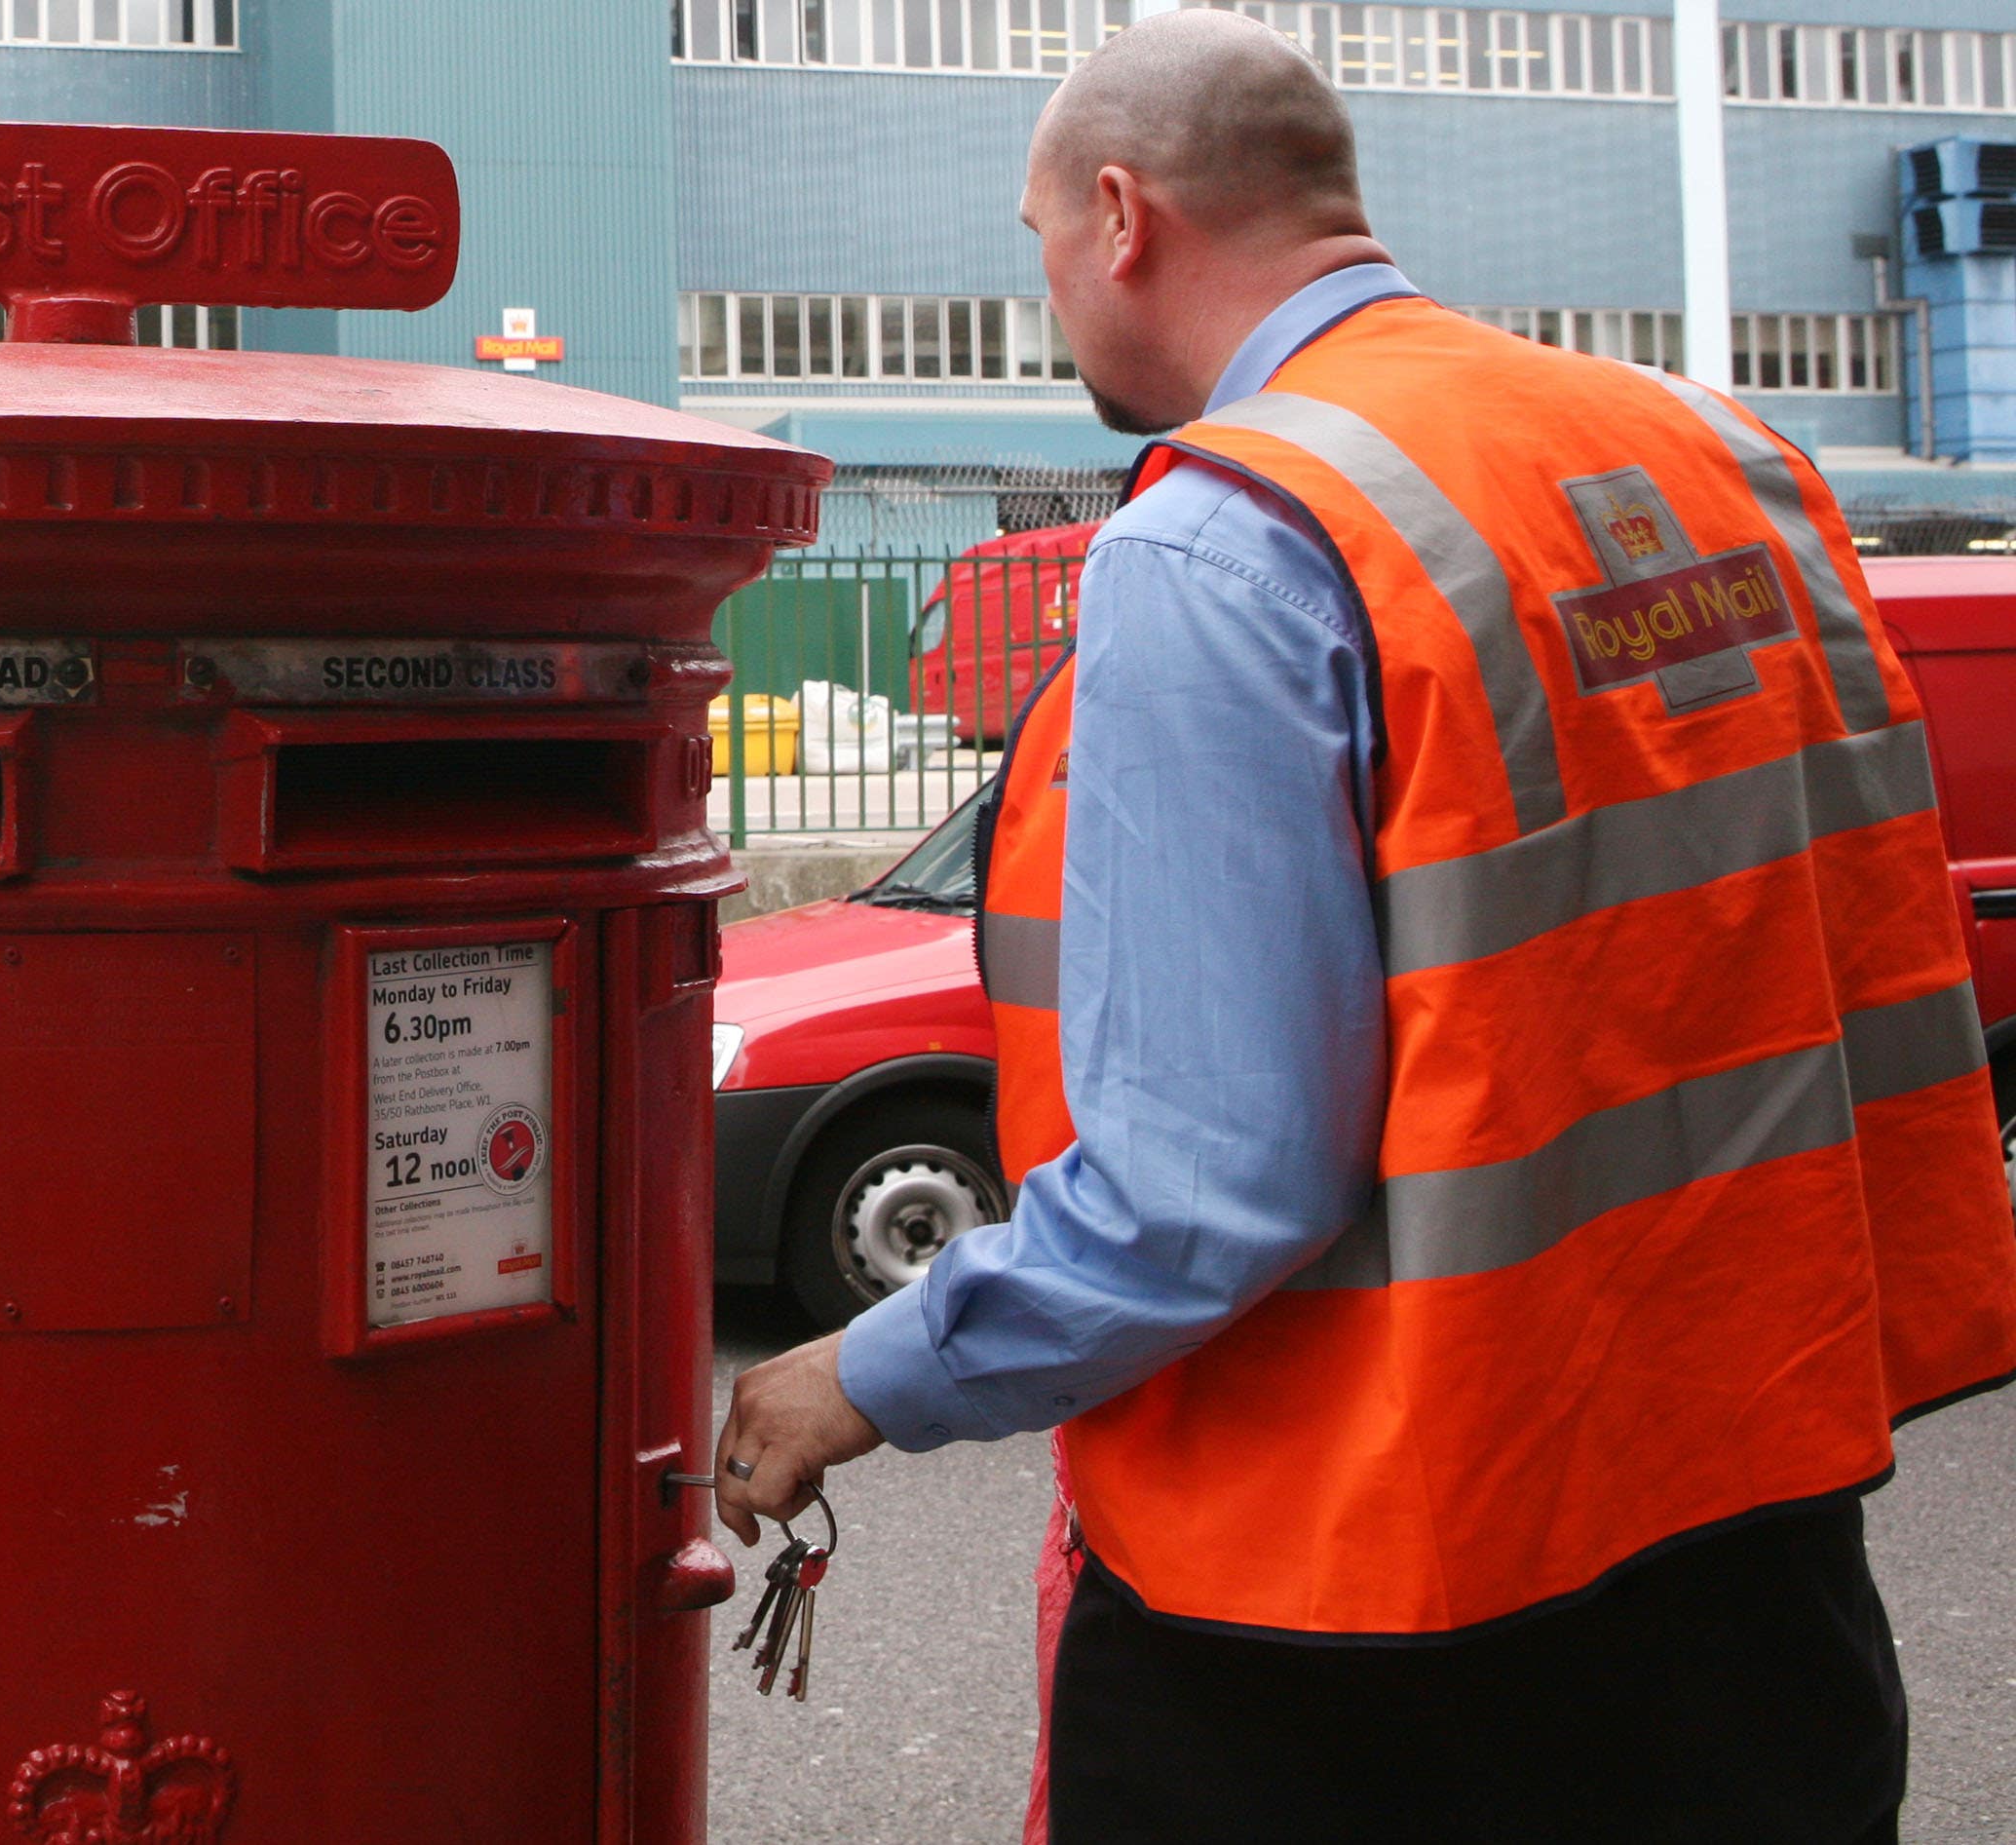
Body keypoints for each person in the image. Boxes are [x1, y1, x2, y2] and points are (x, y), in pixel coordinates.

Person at [710, 13, 2016, 1841]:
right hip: (1755, 1536)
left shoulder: (1230, 541)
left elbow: (1199, 1189)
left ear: (1119, 215)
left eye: (1038, 251)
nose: (1054, 299)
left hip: (1372, 1610)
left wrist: (870, 1369)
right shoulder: (1721, 454)